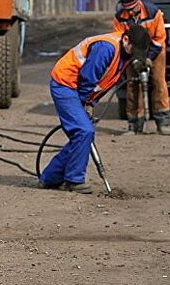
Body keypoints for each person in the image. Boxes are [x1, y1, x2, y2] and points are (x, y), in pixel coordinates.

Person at [39, 25, 151, 194]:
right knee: (84, 132)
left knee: (81, 136)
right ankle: (73, 180)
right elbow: (88, 77)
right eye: (133, 50)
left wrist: (91, 103)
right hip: (65, 84)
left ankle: (50, 178)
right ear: (126, 39)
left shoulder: (125, 51)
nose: (132, 54)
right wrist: (85, 102)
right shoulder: (106, 48)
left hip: (76, 88)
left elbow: (103, 82)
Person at [113, 0, 170, 135]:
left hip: (155, 50)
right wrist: (135, 59)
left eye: (133, 9)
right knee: (133, 85)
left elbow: (159, 39)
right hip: (133, 53)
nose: (131, 13)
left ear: (138, 3)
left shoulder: (153, 13)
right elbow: (122, 40)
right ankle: (134, 124)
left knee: (158, 83)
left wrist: (149, 58)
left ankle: (163, 122)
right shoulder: (120, 18)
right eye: (127, 10)